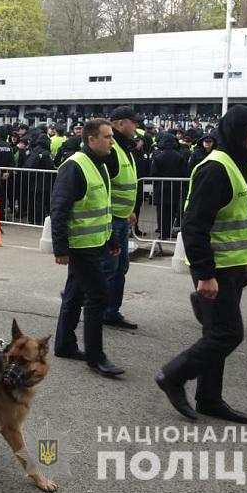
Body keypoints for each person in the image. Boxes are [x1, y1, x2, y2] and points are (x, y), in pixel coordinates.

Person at [156, 105, 247, 423]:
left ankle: (209, 398)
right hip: (215, 268)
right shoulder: (216, 168)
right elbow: (194, 225)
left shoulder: (239, 164)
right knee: (227, 335)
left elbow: (240, 218)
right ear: (238, 132)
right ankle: (173, 376)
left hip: (232, 266)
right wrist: (205, 274)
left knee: (215, 333)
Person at [51, 118, 125, 377]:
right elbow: (59, 209)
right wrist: (60, 248)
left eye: (112, 136)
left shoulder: (99, 165)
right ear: (91, 139)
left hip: (96, 243)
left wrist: (111, 239)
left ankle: (64, 345)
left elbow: (102, 208)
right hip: (80, 246)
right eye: (107, 137)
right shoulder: (75, 166)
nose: (112, 142)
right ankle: (96, 357)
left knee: (74, 294)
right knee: (98, 296)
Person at [102, 106, 142, 329]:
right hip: (111, 219)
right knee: (110, 268)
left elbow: (126, 184)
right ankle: (97, 306)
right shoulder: (111, 148)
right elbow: (104, 187)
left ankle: (109, 310)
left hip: (122, 217)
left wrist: (130, 210)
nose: (136, 126)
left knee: (119, 267)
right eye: (133, 122)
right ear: (119, 123)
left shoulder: (125, 148)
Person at [150, 132, 188, 240]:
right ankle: (168, 231)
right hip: (175, 187)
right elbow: (184, 173)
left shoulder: (158, 157)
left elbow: (153, 173)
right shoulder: (180, 157)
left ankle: (162, 233)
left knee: (161, 212)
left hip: (161, 187)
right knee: (172, 211)